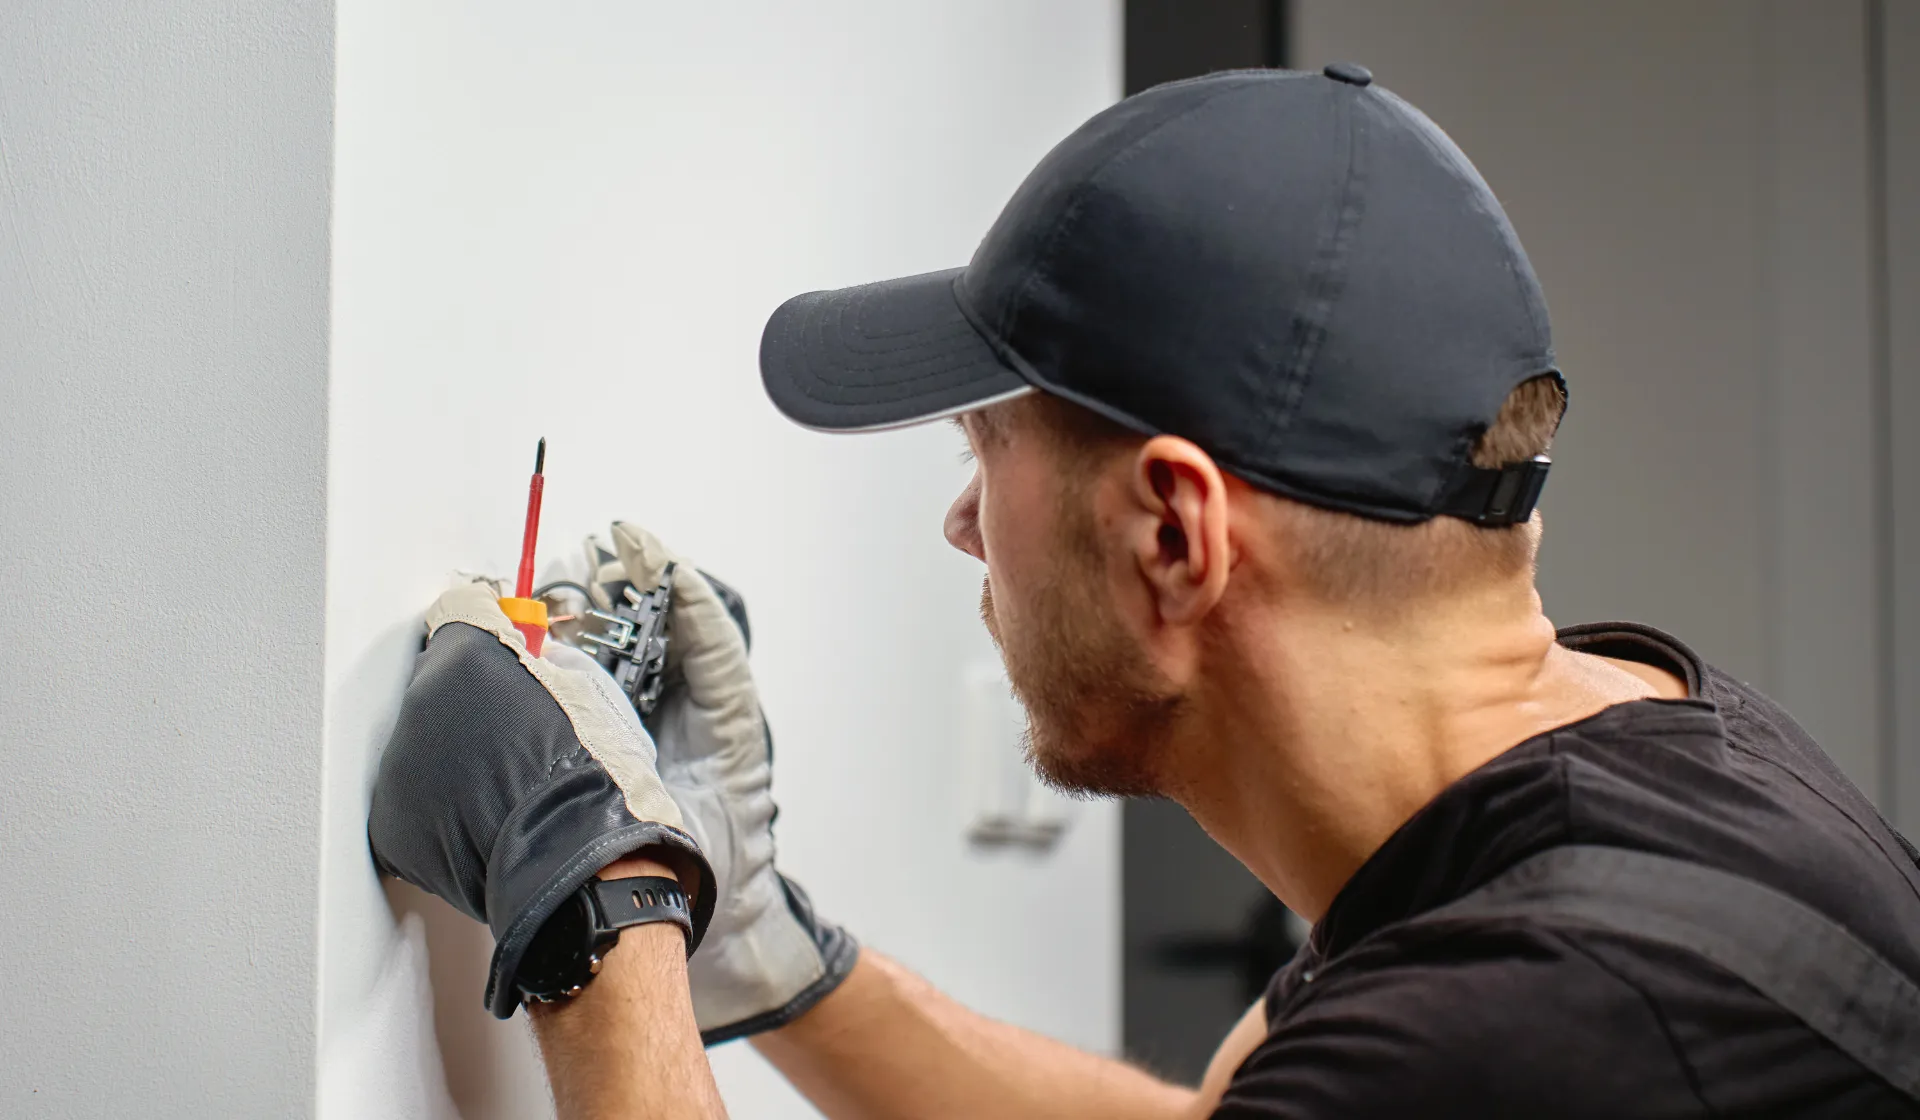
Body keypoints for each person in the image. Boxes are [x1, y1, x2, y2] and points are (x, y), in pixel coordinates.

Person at [367, 66, 1920, 1118]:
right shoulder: (1640, 759)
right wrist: (776, 962)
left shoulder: (1532, 1032)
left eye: (988, 444)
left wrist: (599, 913)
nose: (965, 526)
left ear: (1175, 531)